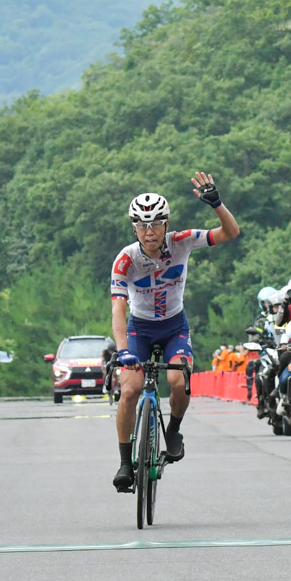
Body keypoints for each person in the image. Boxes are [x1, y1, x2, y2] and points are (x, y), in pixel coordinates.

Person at [110, 173, 240, 493]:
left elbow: (230, 232)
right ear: (134, 228)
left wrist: (217, 205)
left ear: (166, 224)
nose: (149, 231)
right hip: (139, 329)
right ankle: (126, 462)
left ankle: (175, 429)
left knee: (178, 381)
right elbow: (118, 310)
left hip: (173, 327)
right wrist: (123, 349)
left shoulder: (182, 241)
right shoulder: (125, 260)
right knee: (130, 390)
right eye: (141, 224)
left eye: (155, 223)